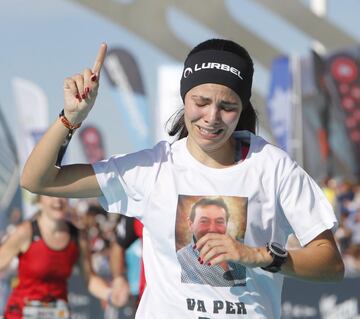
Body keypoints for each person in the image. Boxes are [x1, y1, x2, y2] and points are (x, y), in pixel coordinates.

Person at [20, 39, 344, 318]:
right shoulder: (152, 168)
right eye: (200, 102)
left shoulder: (274, 167)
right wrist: (70, 119)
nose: (212, 117)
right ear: (184, 98)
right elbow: (38, 180)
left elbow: (330, 265)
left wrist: (258, 256)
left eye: (227, 106)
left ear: (243, 106)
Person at [0, 195, 126, 318]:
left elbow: (89, 278)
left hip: (58, 313)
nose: (58, 201)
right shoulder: (25, 232)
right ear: (39, 201)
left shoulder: (78, 236)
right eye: (50, 196)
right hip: (20, 313)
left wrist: (110, 294)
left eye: (62, 195)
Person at [177, 196, 246, 287]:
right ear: (191, 224)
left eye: (219, 221)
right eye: (204, 221)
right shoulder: (180, 260)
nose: (212, 229)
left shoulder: (245, 249)